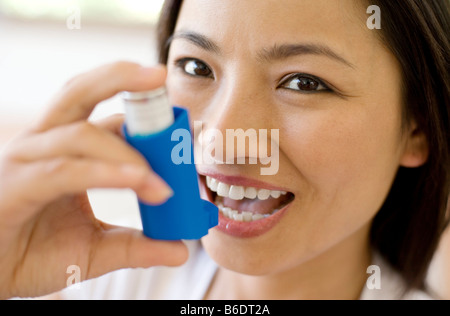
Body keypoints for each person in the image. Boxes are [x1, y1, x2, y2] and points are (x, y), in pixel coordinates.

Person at [1, 0, 448, 300]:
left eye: (304, 82)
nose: (220, 136)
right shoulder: (86, 283)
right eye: (196, 67)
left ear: (418, 130)